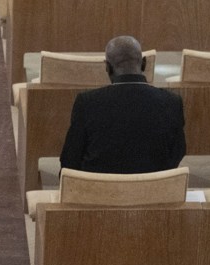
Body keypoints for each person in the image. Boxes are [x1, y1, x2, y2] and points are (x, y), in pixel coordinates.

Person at [60, 35, 186, 174]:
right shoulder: (172, 102)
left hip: (99, 192)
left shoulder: (87, 102)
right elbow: (177, 152)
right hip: (153, 192)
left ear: (107, 67)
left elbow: (70, 160)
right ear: (144, 63)